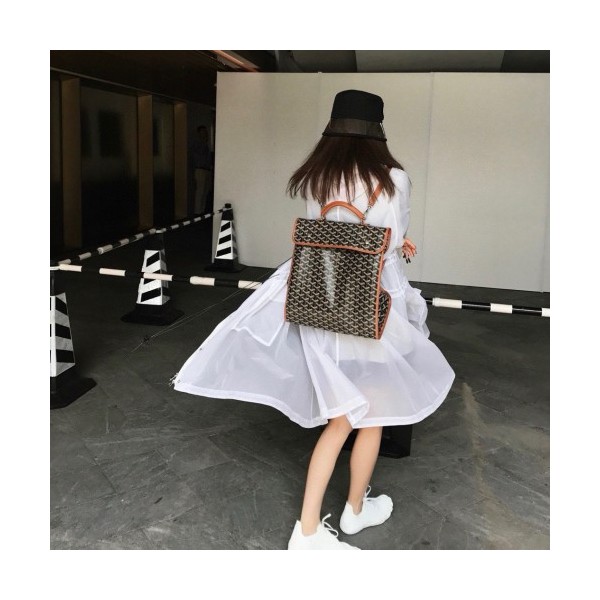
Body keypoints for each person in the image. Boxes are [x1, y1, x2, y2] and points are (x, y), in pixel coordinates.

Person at [173, 89, 456, 550]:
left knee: (342, 418)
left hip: (320, 302)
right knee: (370, 415)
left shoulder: (317, 176)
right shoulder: (394, 178)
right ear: (378, 130)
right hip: (370, 309)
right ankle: (337, 519)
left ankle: (327, 521)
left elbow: (328, 237)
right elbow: (388, 240)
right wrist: (397, 242)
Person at [190, 125, 213, 215]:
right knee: (200, 191)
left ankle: (202, 211)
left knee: (206, 191)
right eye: (203, 131)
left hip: (207, 170)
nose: (205, 133)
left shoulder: (207, 144)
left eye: (205, 131)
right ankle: (197, 212)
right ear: (199, 133)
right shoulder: (196, 144)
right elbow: (197, 155)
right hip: (200, 169)